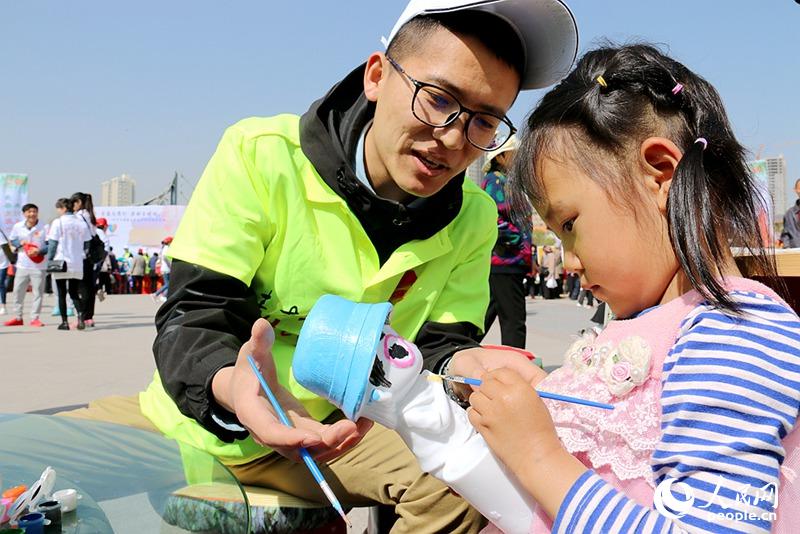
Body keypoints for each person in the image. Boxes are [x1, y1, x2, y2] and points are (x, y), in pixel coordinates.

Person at [63, 2, 579, 531]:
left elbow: (438, 347)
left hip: (342, 438)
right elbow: (194, 314)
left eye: (483, 120)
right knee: (33, 463)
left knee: (471, 480)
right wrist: (235, 389)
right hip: (192, 422)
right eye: (439, 99)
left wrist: (466, 366)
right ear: (377, 76)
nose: (451, 137)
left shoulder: (474, 219)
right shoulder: (262, 155)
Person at [467, 44, 800, 533]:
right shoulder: (662, 320)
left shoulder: (735, 335)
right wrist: (544, 397)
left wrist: (538, 455)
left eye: (570, 223)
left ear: (660, 174)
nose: (572, 260)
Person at [480, 135, 532, 348]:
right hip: (506, 260)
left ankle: (456, 349)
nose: (518, 157)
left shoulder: (504, 181)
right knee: (514, 320)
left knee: (484, 317)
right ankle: (516, 364)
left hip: (506, 261)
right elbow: (492, 219)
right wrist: (518, 241)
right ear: (500, 157)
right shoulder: (496, 181)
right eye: (513, 153)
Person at [47, 198, 92, 330]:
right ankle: (80, 317)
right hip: (77, 262)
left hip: (61, 261)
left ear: (63, 208)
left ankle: (64, 322)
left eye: (59, 209)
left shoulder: (58, 222)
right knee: (74, 293)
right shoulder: (81, 223)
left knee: (61, 293)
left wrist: (49, 260)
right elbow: (87, 243)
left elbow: (53, 243)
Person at [4, 204, 48, 327]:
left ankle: (35, 318)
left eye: (34, 211)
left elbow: (49, 244)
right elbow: (12, 240)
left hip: (39, 265)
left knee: (38, 293)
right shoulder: (18, 226)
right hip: (22, 265)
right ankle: (18, 317)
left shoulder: (44, 226)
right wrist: (19, 243)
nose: (32, 214)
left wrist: (39, 251)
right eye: (29, 212)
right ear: (24, 214)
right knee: (18, 291)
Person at [71, 192, 100, 326]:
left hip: (81, 256)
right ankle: (89, 317)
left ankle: (82, 316)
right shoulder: (90, 215)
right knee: (89, 287)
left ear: (79, 202)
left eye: (73, 203)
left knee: (80, 288)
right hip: (90, 257)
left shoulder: (79, 217)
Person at [151, 236, 172, 302]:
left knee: (167, 284)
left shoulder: (164, 248)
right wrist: (170, 265)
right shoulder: (166, 248)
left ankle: (163, 296)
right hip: (166, 268)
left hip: (165, 268)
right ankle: (156, 294)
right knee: (167, 284)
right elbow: (165, 258)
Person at [780, 178, 800, 248]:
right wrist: (787, 248)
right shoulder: (789, 214)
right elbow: (785, 235)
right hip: (795, 253)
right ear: (795, 190)